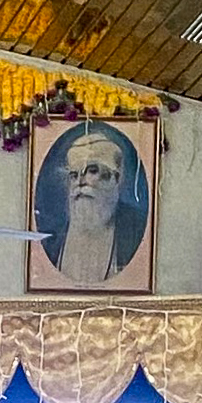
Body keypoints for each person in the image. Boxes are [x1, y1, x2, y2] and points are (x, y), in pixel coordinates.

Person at [34, 120, 149, 288]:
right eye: (73, 175)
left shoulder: (135, 228)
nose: (80, 182)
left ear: (115, 178)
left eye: (92, 171)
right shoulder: (53, 240)